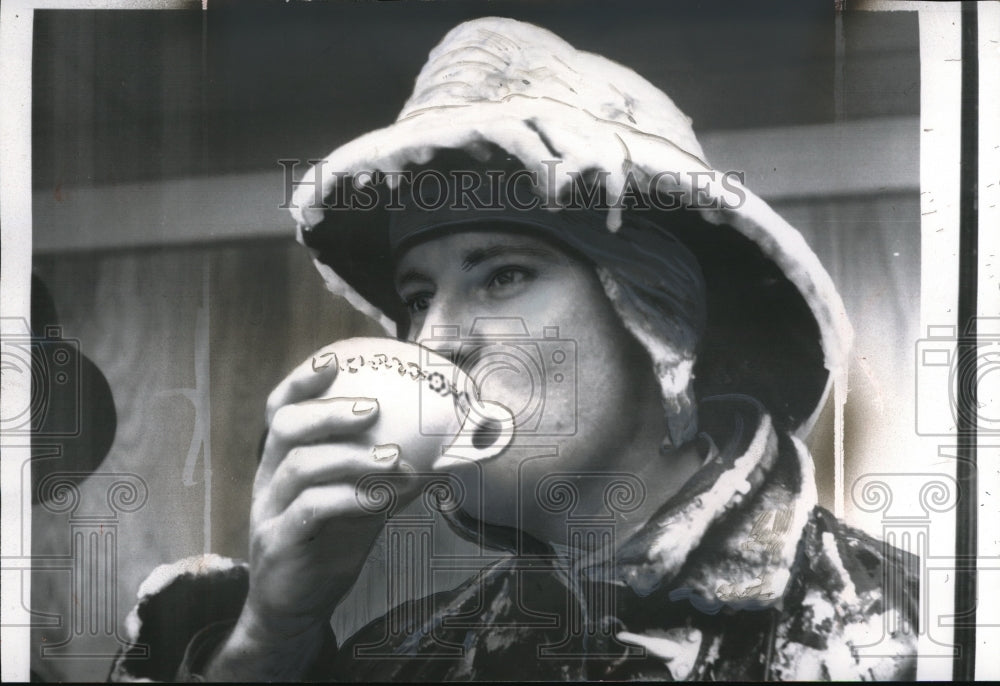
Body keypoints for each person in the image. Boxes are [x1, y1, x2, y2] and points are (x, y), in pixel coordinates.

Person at [110, 16, 918, 682]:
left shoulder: (912, 635)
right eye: (418, 297)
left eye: (502, 276)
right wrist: (270, 642)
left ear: (659, 319)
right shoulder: (405, 661)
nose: (436, 343)